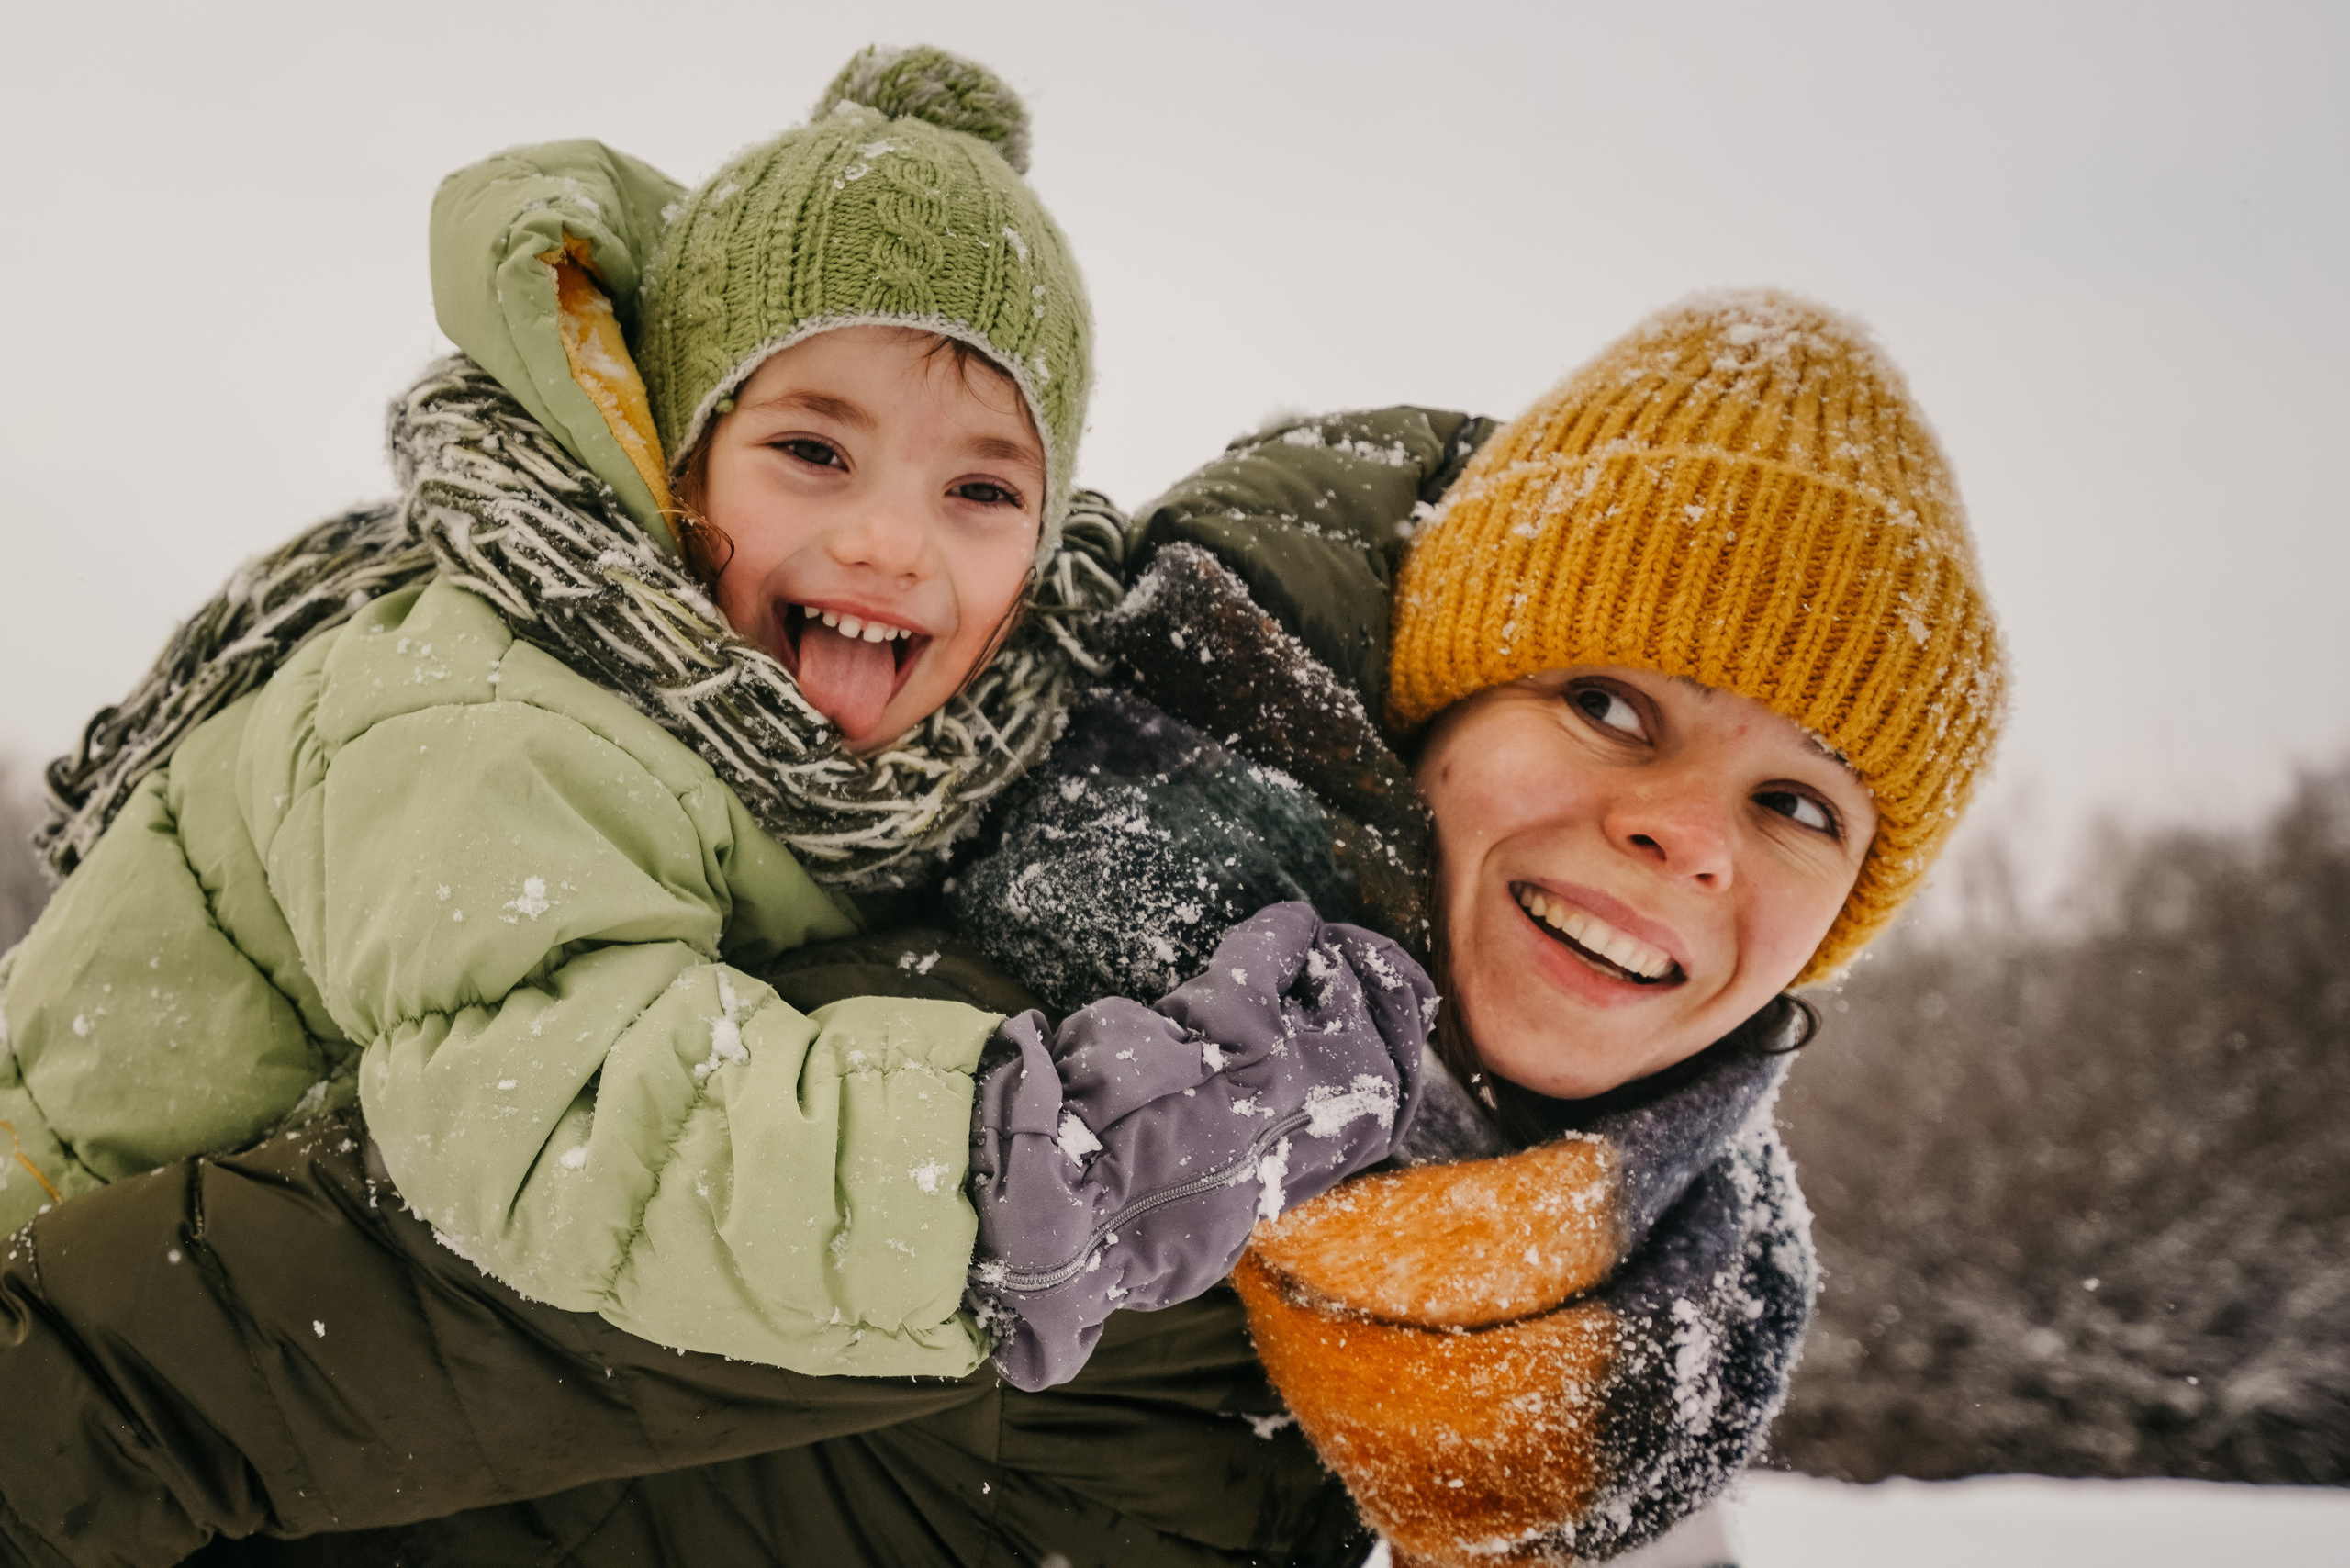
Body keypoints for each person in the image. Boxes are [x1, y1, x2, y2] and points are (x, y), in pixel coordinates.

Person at [0, 293, 2001, 1567]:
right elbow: (178, 1365)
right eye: (1608, 706)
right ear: (1435, 716)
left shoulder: (1619, 1293)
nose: (1674, 835)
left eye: (1795, 801)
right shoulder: (1069, 1065)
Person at [0, 41, 1423, 1394]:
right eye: (812, 451)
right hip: (44, 1287)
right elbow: (586, 1119)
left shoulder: (869, 770)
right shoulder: (480, 702)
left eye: (980, 491)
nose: (889, 540)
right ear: (666, 446)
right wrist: (1040, 1167)